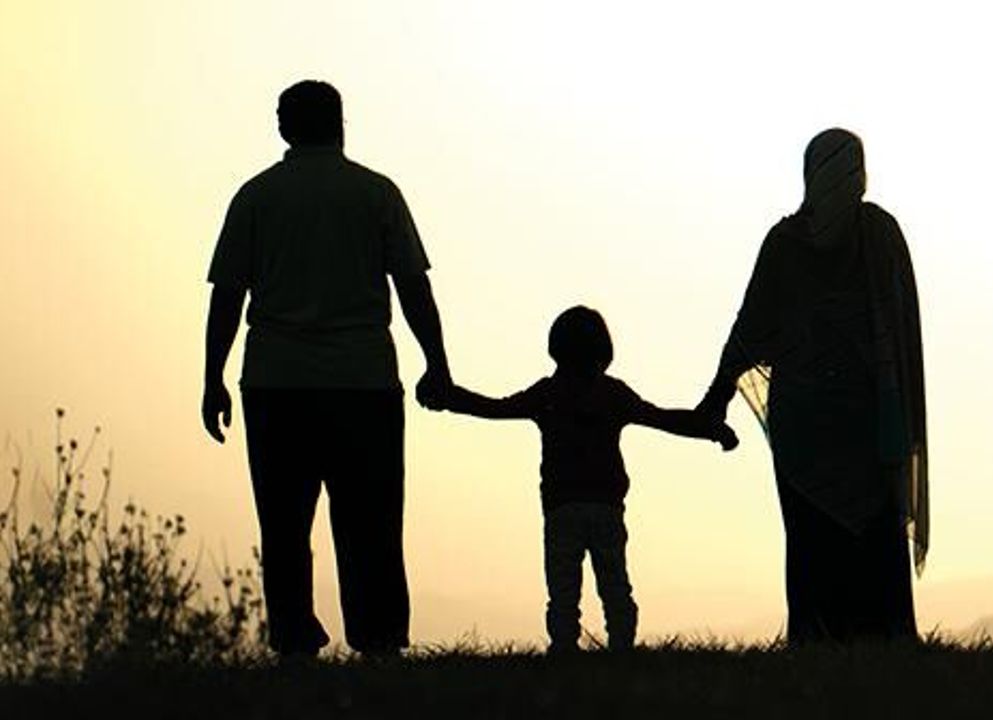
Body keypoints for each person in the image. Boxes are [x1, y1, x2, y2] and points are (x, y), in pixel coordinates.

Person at [201, 80, 452, 656]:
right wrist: (437, 363)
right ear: (340, 123)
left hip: (275, 382)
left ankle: (294, 641)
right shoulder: (376, 193)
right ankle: (379, 639)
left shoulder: (256, 196)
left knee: (284, 525)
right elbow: (413, 286)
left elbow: (227, 296)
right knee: (372, 522)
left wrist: (212, 378)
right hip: (364, 381)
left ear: (284, 127)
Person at [696, 128, 927, 644]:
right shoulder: (877, 234)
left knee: (813, 533)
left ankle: (819, 637)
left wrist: (716, 398)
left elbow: (749, 330)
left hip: (808, 419)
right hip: (868, 415)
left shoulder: (790, 242)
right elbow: (899, 329)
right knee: (868, 528)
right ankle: (881, 639)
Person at [432, 306, 737, 653]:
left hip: (561, 507)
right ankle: (621, 648)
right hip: (606, 507)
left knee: (563, 589)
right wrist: (710, 429)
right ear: (603, 352)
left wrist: (449, 397)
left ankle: (564, 647)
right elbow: (663, 418)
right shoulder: (612, 394)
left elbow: (494, 408)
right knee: (615, 584)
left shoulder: (548, 393)